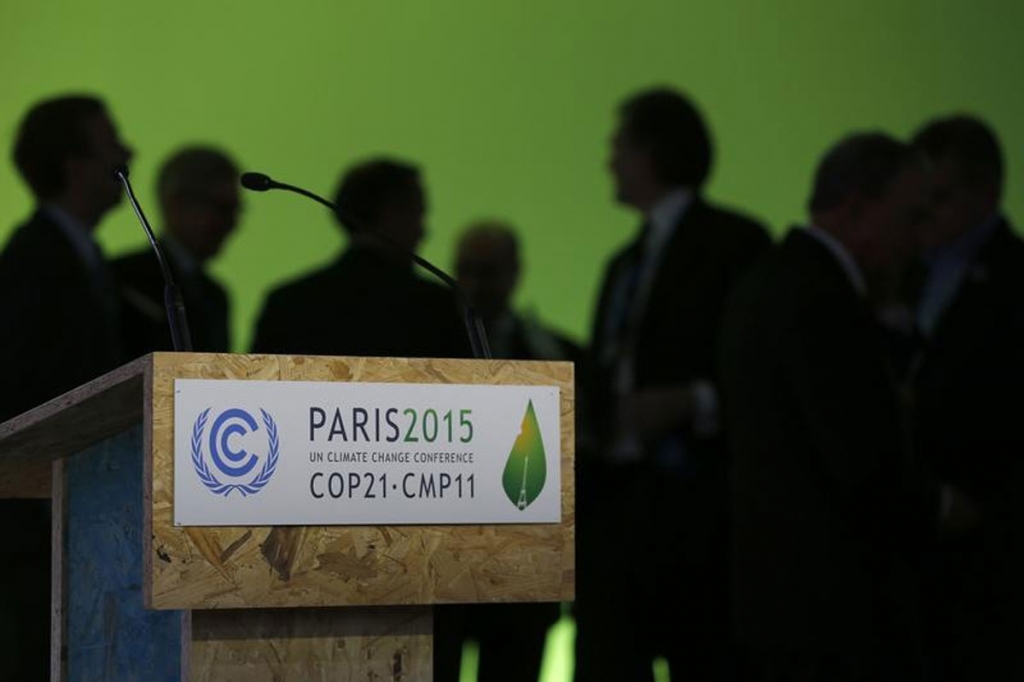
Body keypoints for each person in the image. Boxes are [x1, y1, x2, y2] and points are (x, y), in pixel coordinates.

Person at [719, 132, 952, 680]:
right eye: (911, 217)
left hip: (776, 604)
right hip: (839, 618)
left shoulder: (764, 284)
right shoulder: (824, 301)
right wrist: (942, 508)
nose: (920, 239)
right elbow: (864, 467)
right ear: (858, 209)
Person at [575, 87, 770, 681]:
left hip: (698, 512)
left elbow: (763, 365)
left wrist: (694, 401)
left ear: (652, 153)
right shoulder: (622, 263)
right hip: (616, 510)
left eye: (618, 147)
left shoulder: (737, 244)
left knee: (706, 658)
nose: (608, 161)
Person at [0, 94, 132, 680]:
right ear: (73, 165)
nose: (128, 155)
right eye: (111, 146)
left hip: (80, 515)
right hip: (40, 523)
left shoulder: (81, 257)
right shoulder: (32, 261)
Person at [431, 220, 578, 682]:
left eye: (488, 270)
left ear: (515, 273)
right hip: (440, 568)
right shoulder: (422, 353)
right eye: (466, 270)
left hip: (524, 571)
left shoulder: (556, 354)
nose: (475, 283)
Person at [909, 115, 1024, 681]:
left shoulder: (1017, 283)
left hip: (988, 555)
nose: (924, 212)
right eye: (916, 197)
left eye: (940, 197)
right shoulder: (895, 273)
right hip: (905, 550)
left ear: (989, 191)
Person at [251, 157, 468, 359]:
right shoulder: (434, 306)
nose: (423, 231)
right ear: (392, 211)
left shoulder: (287, 302)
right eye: (417, 213)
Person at [113, 146, 241, 356]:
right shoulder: (122, 280)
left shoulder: (215, 296)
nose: (231, 223)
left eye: (235, 210)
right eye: (221, 208)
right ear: (177, 204)